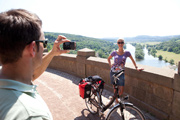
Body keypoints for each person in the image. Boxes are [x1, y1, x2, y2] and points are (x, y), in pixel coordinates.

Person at [0, 9, 70, 120]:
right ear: (33, 48)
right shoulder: (32, 115)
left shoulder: (6, 76)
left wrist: (52, 53)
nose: (44, 48)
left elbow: (31, 76)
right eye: (44, 43)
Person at [107, 38, 143, 104]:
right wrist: (110, 65)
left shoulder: (127, 53)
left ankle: (114, 97)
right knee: (115, 88)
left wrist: (136, 68)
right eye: (119, 42)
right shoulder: (114, 52)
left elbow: (133, 60)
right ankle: (116, 100)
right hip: (113, 72)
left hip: (121, 73)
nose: (120, 44)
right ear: (117, 44)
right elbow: (108, 58)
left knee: (121, 91)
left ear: (123, 43)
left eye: (121, 42)